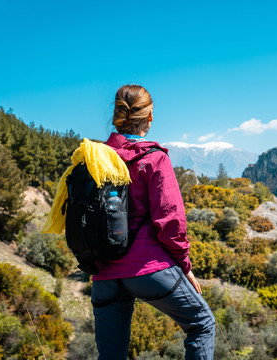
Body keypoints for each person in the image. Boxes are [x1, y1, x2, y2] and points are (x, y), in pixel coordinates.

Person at [91, 85, 215, 359]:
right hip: (148, 269)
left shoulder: (95, 158)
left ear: (116, 115)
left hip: (103, 273)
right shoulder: (154, 158)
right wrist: (185, 266)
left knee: (111, 355)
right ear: (149, 117)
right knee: (202, 323)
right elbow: (170, 222)